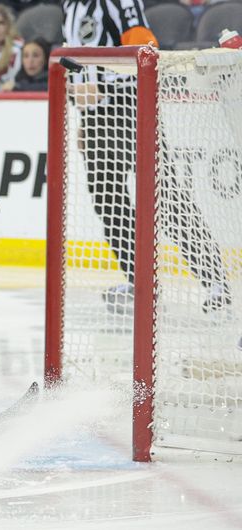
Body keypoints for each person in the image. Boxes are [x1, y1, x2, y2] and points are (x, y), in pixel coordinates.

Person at [62, 0, 230, 312]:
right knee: (106, 198)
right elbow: (78, 61)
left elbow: (144, 48)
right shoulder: (71, 5)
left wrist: (113, 94)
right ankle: (140, 283)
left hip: (129, 104)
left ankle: (215, 281)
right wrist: (85, 117)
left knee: (164, 196)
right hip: (96, 116)